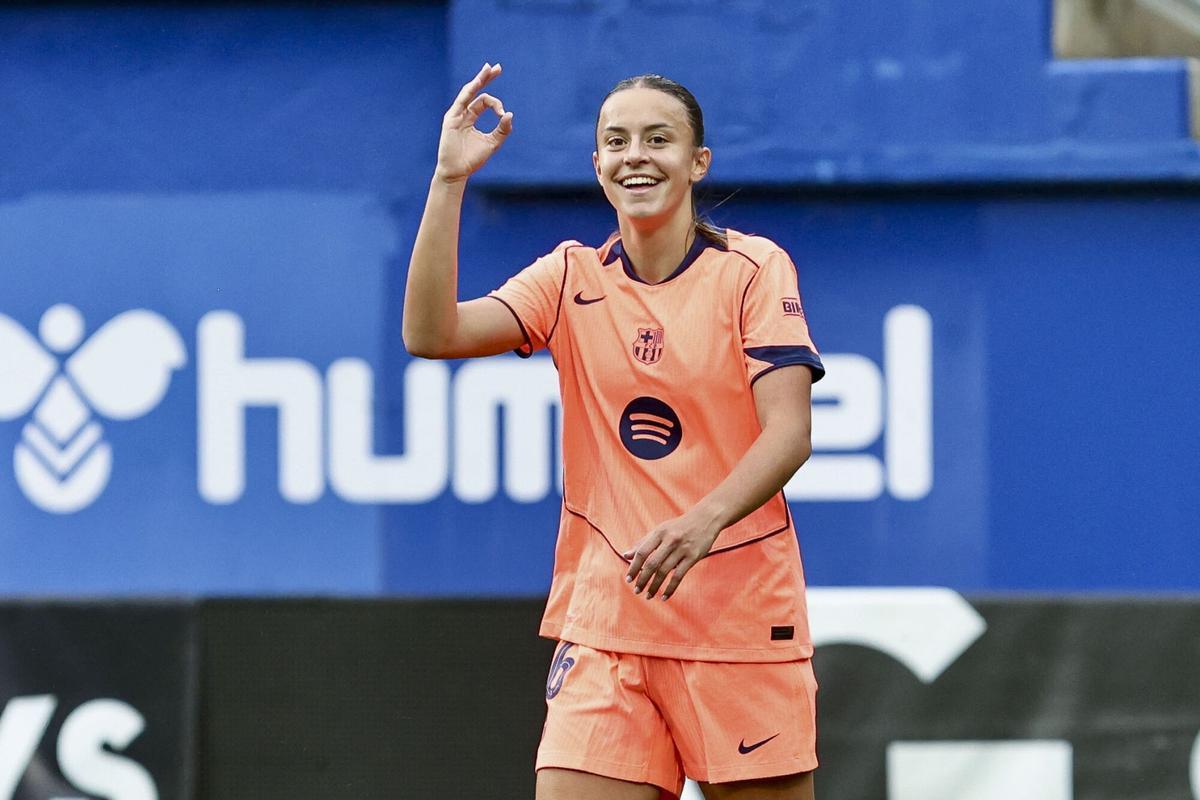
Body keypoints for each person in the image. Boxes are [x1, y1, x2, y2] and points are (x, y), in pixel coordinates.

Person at [403, 62, 825, 800]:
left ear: (698, 163)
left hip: (738, 626)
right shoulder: (569, 277)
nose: (636, 155)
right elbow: (430, 332)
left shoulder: (754, 270)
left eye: (659, 139)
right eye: (617, 141)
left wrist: (702, 523)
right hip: (608, 627)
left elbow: (788, 434)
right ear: (597, 164)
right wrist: (448, 181)